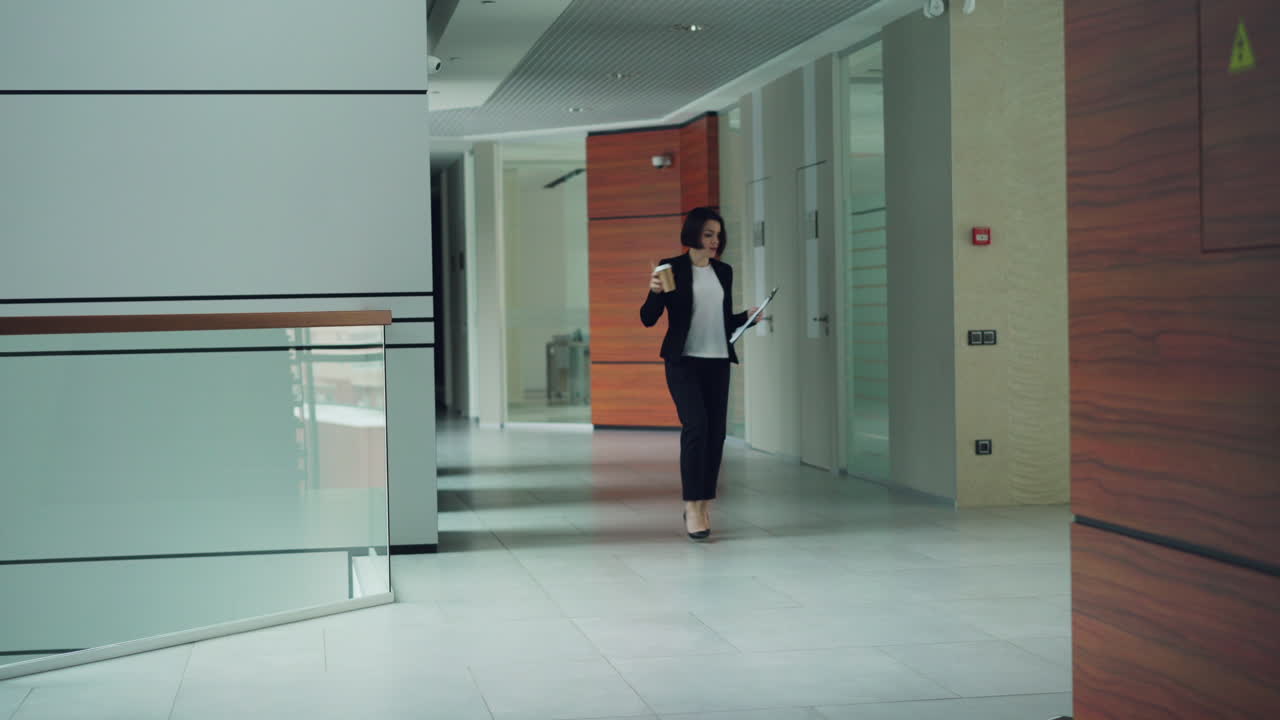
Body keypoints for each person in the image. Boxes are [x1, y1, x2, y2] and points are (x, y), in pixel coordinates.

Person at [640, 207, 759, 541]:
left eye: (718, 235)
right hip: (683, 362)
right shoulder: (671, 268)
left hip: (717, 360)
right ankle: (692, 506)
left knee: (716, 433)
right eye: (709, 234)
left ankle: (704, 501)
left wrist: (745, 317)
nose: (715, 241)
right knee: (697, 427)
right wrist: (654, 291)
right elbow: (648, 318)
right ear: (693, 234)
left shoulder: (724, 271)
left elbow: (720, 321)